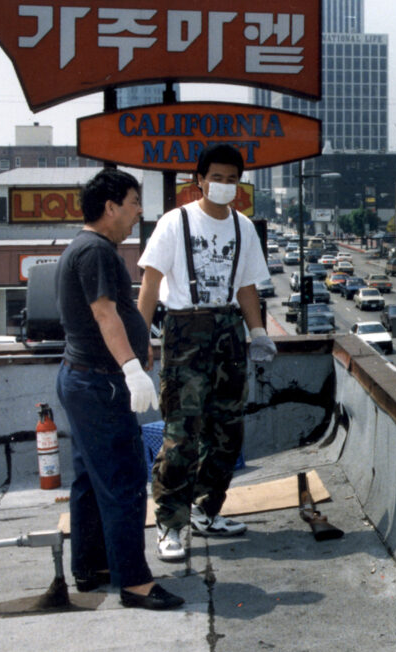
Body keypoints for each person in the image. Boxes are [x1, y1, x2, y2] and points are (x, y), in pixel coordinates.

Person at [138, 144, 276, 562]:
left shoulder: (243, 227)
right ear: (198, 179)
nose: (224, 185)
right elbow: (149, 284)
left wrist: (257, 331)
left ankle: (206, 511)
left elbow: (248, 286)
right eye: (216, 177)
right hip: (185, 330)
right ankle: (169, 525)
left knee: (227, 432)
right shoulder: (173, 223)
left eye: (232, 179)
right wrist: (139, 337)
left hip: (229, 332)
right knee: (181, 436)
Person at [55, 168, 183, 611]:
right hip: (100, 384)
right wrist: (132, 369)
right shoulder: (97, 253)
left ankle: (93, 568)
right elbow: (105, 314)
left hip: (82, 378)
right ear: (110, 207)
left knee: (91, 479)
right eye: (132, 203)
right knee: (125, 480)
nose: (137, 213)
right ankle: (135, 583)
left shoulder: (86, 247)